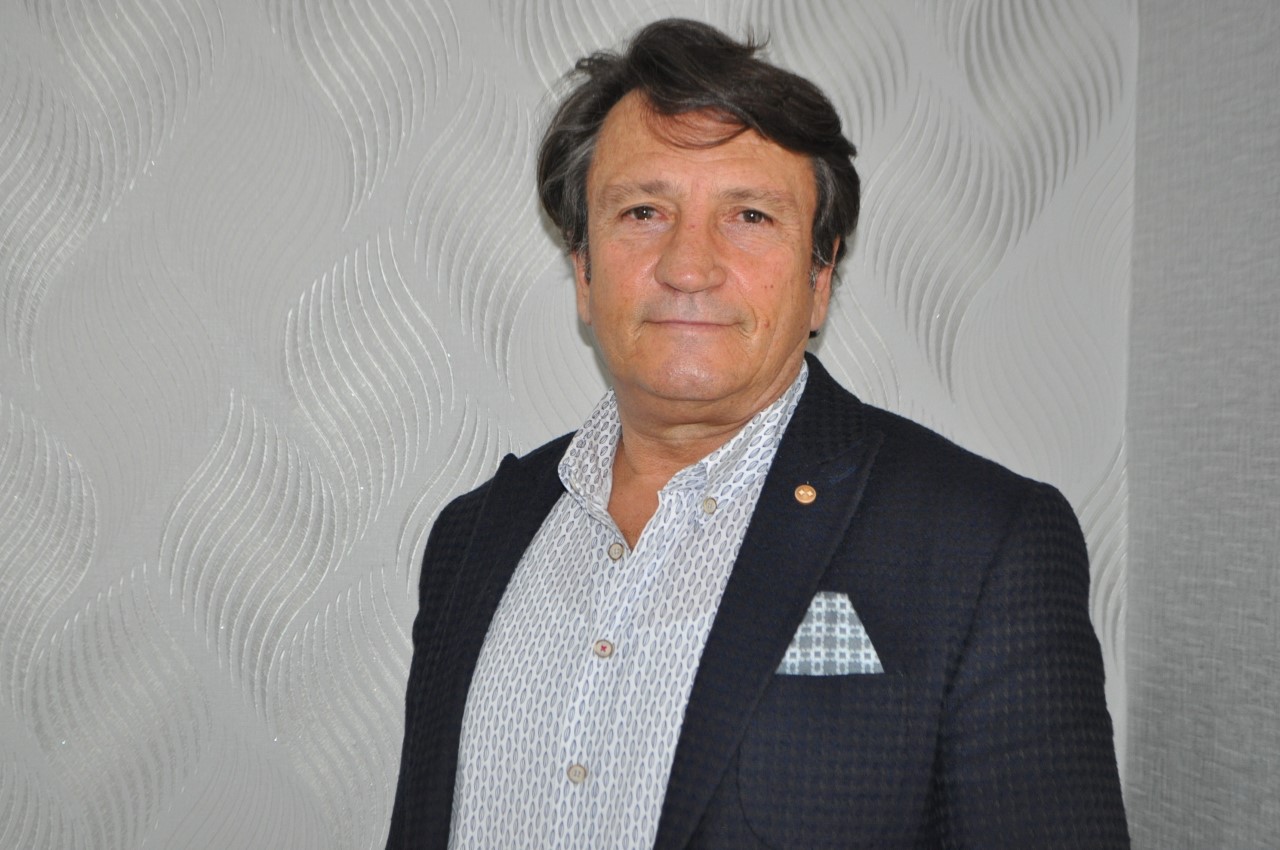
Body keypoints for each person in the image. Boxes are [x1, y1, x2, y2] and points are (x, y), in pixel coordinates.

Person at [387, 18, 1129, 849]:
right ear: (584, 270)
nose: (688, 266)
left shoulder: (983, 545)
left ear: (821, 275)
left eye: (748, 215)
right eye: (642, 211)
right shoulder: (470, 539)